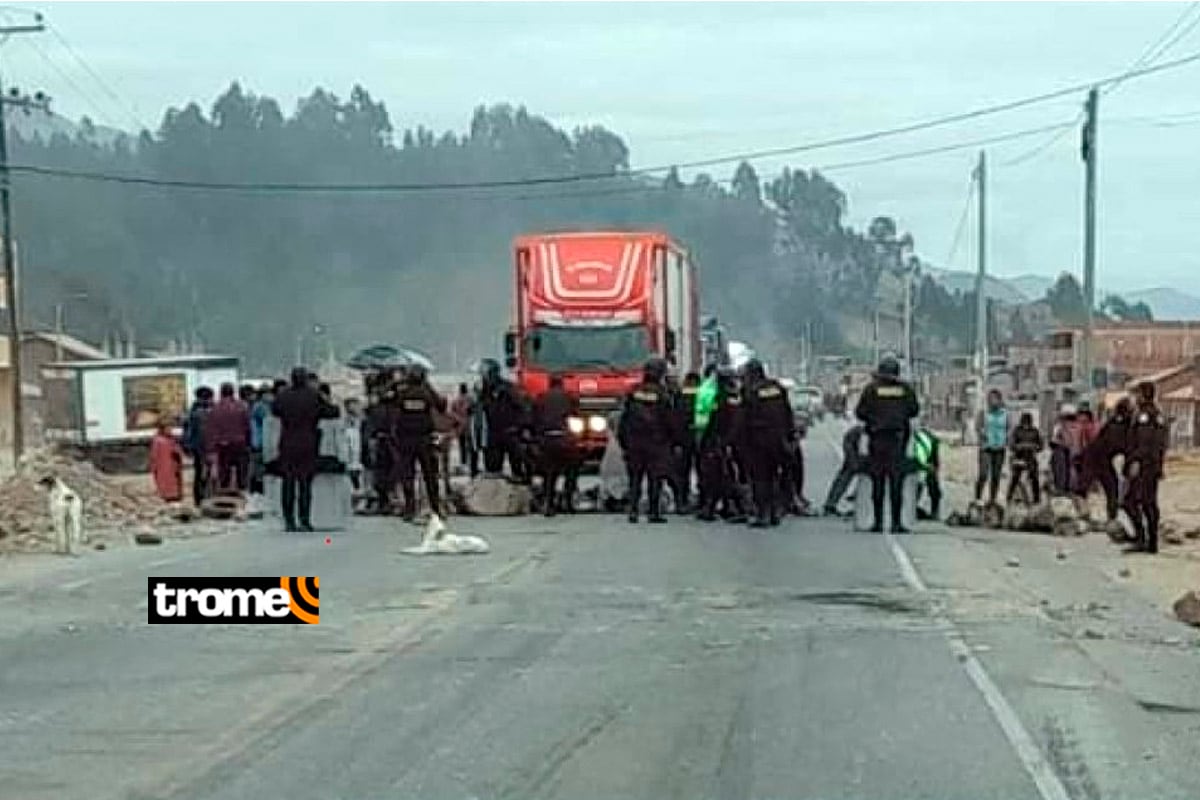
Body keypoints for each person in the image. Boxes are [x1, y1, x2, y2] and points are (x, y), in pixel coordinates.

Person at [855, 356, 919, 533]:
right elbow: (914, 410)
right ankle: (896, 523)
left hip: (877, 440)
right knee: (896, 483)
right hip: (897, 441)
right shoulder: (905, 389)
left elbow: (860, 413)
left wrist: (875, 418)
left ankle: (878, 522)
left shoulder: (871, 390)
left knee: (877, 482)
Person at [272, 367, 339, 532]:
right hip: (309, 443)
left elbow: (274, 411)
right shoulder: (314, 396)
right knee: (305, 484)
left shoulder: (283, 396)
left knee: (287, 484)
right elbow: (332, 412)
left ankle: (289, 521)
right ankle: (305, 520)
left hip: (287, 442)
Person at [617, 358, 675, 524]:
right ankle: (653, 512)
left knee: (635, 479)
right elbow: (669, 421)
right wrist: (672, 442)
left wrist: (624, 442)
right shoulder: (663, 395)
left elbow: (624, 419)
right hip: (656, 444)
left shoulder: (633, 392)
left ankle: (633, 510)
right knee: (655, 479)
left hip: (634, 443)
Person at [739, 359, 794, 528]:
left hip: (758, 441)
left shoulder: (750, 391)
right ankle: (775, 512)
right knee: (774, 476)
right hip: (778, 440)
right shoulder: (777, 388)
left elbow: (744, 419)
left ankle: (763, 514)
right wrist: (789, 436)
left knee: (760, 478)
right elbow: (787, 413)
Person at [393, 364, 446, 520]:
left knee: (407, 475)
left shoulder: (402, 393)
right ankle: (435, 508)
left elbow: (388, 401)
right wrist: (429, 386)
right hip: (424, 439)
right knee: (430, 476)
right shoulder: (427, 392)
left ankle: (410, 509)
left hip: (406, 439)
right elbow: (441, 406)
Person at [1123, 382, 1168, 554]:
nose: (1135, 398)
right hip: (1153, 466)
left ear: (1142, 395)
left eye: (1137, 395)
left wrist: (1135, 462)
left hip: (1143, 466)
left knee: (1130, 501)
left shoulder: (1144, 416)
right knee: (1149, 503)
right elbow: (1161, 444)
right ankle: (1151, 542)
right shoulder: (1158, 416)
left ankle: (1142, 539)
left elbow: (1144, 442)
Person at [532, 373, 578, 517]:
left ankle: (549, 504)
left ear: (549, 384)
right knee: (571, 470)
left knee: (550, 474)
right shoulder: (569, 397)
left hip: (546, 440)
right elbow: (575, 414)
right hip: (564, 439)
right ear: (561, 384)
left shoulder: (541, 398)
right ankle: (568, 502)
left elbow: (534, 418)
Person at [1079, 399, 1130, 522]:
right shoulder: (1121, 426)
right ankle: (1081, 514)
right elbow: (1119, 445)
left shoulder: (1113, 422)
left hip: (1098, 457)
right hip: (1097, 458)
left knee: (1106, 487)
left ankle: (1085, 513)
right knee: (1106, 488)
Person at [478, 359, 529, 481]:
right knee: (492, 470)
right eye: (483, 375)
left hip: (509, 431)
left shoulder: (508, 388)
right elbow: (476, 410)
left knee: (517, 468)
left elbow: (522, 407)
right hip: (493, 433)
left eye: (486, 375)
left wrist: (520, 427)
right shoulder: (483, 392)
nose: (484, 378)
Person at [205, 382, 251, 493]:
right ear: (233, 393)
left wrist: (210, 449)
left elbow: (211, 430)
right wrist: (248, 443)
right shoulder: (242, 407)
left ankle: (225, 497)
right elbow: (247, 427)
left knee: (224, 476)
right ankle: (243, 496)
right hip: (240, 444)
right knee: (242, 475)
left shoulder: (215, 409)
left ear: (221, 393)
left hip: (223, 445)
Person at [363, 385, 397, 514]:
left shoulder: (376, 410)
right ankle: (387, 501)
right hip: (390, 445)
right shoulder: (394, 409)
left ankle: (383, 501)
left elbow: (369, 429)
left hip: (380, 444)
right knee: (388, 472)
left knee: (380, 473)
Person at [975, 389, 1009, 506]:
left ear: (999, 400)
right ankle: (978, 498)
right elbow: (978, 427)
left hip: (1000, 448)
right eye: (989, 399)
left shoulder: (1005, 414)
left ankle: (992, 500)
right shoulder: (983, 413)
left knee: (996, 475)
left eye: (994, 399)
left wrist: (1007, 439)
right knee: (983, 474)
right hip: (986, 447)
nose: (991, 401)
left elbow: (1009, 428)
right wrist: (982, 433)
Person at [182, 386, 214, 507]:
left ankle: (200, 499)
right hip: (202, 447)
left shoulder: (192, 411)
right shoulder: (200, 413)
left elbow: (186, 431)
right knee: (204, 474)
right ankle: (203, 497)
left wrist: (188, 446)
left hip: (197, 447)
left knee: (200, 473)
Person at [823, 423, 865, 516]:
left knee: (849, 472)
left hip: (865, 437)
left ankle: (831, 504)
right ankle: (830, 505)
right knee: (850, 470)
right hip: (863, 437)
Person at [1007, 412, 1043, 505]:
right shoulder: (1017, 430)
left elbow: (1040, 445)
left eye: (1028, 423)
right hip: (1018, 457)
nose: (1026, 425)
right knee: (1015, 477)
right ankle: (1009, 497)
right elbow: (1011, 444)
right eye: (1025, 423)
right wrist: (1020, 446)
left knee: (1034, 477)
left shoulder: (1035, 431)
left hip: (1030, 457)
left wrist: (1034, 447)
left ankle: (1036, 498)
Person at [149, 419, 183, 502]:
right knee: (165, 480)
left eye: (171, 428)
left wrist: (177, 452)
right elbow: (154, 455)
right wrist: (154, 466)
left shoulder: (171, 439)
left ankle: (175, 494)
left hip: (172, 464)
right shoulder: (157, 440)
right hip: (163, 465)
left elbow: (177, 449)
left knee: (174, 480)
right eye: (168, 428)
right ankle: (167, 495)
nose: (170, 430)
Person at [911, 425, 942, 520]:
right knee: (917, 485)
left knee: (932, 483)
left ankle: (935, 510)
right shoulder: (912, 440)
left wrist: (932, 468)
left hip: (927, 463)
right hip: (916, 464)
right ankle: (912, 507)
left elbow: (935, 462)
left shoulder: (931, 440)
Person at [450, 383, 476, 473]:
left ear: (460, 390)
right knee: (470, 446)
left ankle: (463, 462)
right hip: (469, 426)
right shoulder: (471, 400)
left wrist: (455, 424)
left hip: (459, 427)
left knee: (462, 446)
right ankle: (470, 464)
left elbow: (452, 413)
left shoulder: (455, 400)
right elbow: (473, 412)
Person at [343, 397, 364, 493]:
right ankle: (356, 488)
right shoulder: (345, 422)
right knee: (353, 467)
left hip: (359, 448)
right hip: (352, 448)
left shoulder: (362, 420)